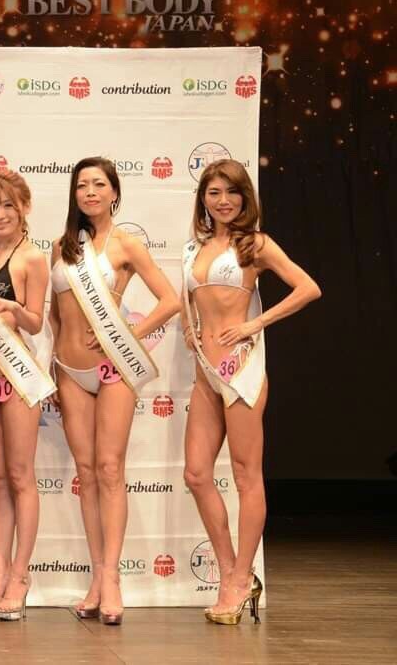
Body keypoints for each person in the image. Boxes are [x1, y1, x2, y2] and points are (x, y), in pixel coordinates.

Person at [181, 159, 319, 625]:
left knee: (245, 475)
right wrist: (190, 327)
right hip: (205, 373)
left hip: (239, 370)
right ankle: (229, 571)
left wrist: (254, 324)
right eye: (214, 192)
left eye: (231, 192)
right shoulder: (195, 247)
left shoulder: (255, 244)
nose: (223, 201)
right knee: (196, 473)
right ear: (203, 199)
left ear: (245, 198)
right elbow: (192, 300)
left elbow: (308, 288)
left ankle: (242, 577)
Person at [50, 157, 180, 625]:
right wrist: (51, 365)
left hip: (113, 368)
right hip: (69, 370)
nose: (90, 192)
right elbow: (54, 315)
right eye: (82, 185)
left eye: (99, 184)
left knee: (109, 468)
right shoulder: (61, 247)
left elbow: (171, 300)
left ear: (114, 192)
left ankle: (112, 580)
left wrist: (128, 333)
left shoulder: (127, 244)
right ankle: (95, 576)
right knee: (86, 471)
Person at [0, 170, 53, 621]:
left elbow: (36, 321)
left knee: (21, 477)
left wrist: (11, 306)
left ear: (24, 208)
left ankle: (20, 577)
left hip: (19, 376)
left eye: (8, 205)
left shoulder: (33, 257)